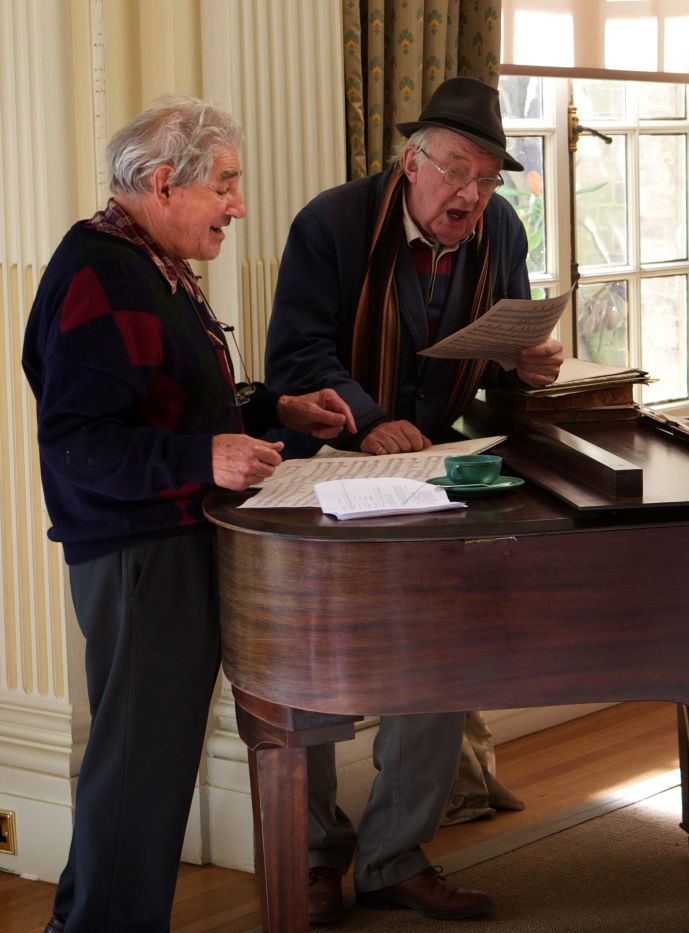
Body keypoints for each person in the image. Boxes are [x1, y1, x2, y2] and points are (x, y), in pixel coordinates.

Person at [22, 96, 355, 933]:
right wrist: (202, 458)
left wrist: (279, 410)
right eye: (227, 184)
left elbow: (178, 407)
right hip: (140, 556)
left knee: (140, 770)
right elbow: (79, 442)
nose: (239, 205)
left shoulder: (148, 263)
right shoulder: (100, 271)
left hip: (166, 546)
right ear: (165, 182)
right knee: (142, 771)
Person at [263, 76, 562, 925]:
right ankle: (318, 856)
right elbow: (296, 356)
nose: (471, 195)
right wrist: (368, 420)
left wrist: (525, 361)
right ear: (412, 160)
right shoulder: (332, 223)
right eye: (457, 172)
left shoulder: (499, 229)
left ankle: (395, 855)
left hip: (435, 472)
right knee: (315, 668)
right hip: (327, 469)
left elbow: (503, 338)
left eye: (489, 178)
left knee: (439, 653)